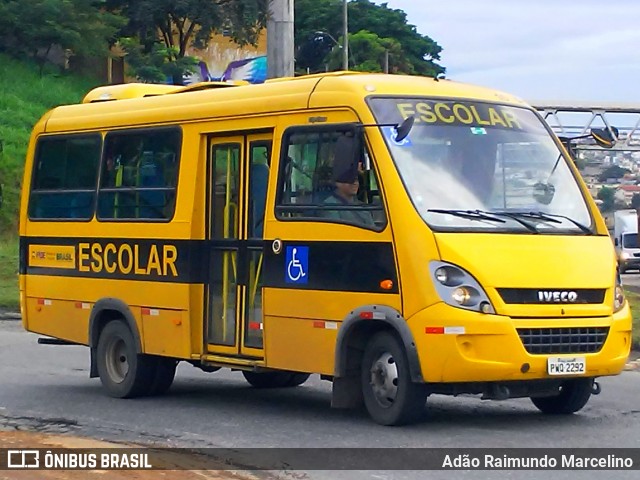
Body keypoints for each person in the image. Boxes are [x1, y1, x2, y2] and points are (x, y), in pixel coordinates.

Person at [320, 161, 375, 227]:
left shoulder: (361, 206)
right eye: (350, 181)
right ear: (338, 183)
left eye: (356, 180)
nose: (355, 183)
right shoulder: (329, 205)